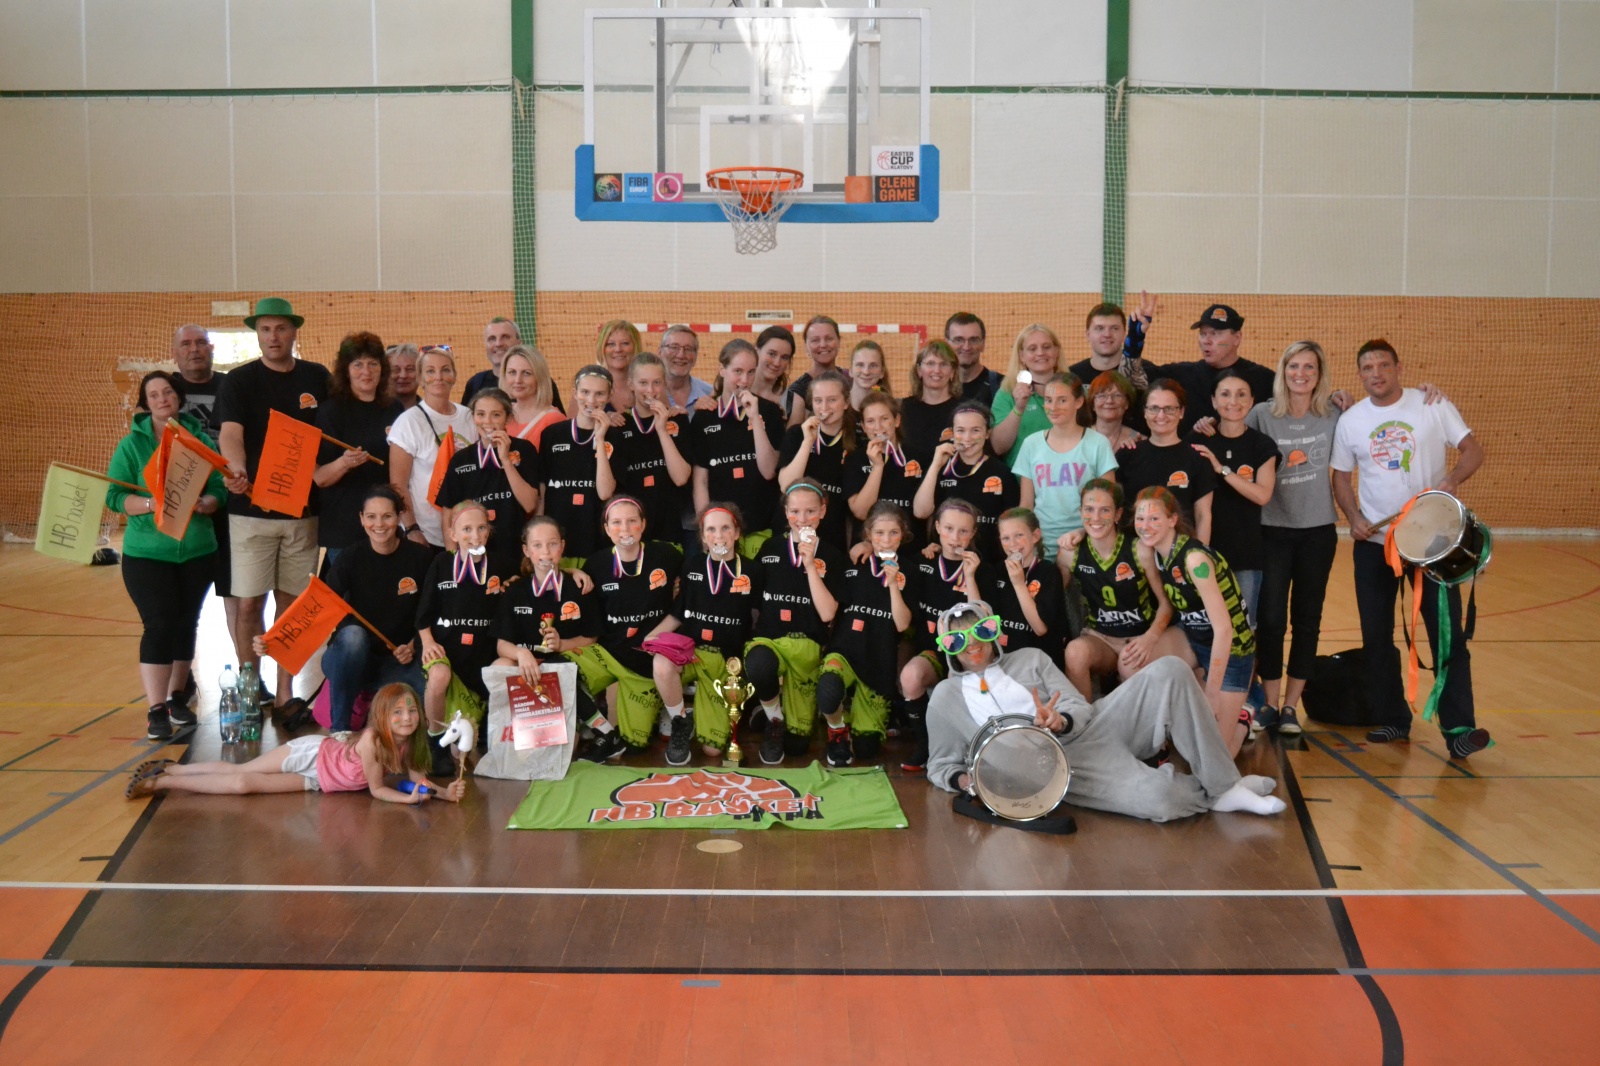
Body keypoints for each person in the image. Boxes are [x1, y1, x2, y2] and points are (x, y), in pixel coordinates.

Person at [924, 603, 1285, 822]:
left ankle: (1225, 785)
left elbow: (1077, 705)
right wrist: (967, 782)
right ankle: (1214, 793)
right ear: (946, 647)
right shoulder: (944, 698)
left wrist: (1059, 720)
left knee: (1171, 669)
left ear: (993, 632)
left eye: (981, 631)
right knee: (1161, 800)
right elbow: (941, 764)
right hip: (1059, 770)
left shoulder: (1031, 658)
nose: (972, 644)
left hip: (1093, 727)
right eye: (957, 640)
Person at [1331, 339, 1490, 758]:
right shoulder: (1351, 420)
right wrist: (1353, 517)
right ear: (1360, 374)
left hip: (1433, 543)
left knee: (1447, 636)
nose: (1376, 373)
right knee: (1376, 637)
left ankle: (1459, 729)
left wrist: (1452, 480)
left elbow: (1473, 451)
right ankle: (1393, 719)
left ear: (1398, 368)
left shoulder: (1431, 403)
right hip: (1376, 546)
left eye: (1384, 365)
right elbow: (1340, 478)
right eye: (1368, 368)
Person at [215, 297, 331, 711]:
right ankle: (250, 686)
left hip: (303, 514)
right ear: (257, 334)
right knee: (249, 603)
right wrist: (236, 468)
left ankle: (285, 692)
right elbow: (230, 434)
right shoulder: (239, 381)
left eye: (281, 328)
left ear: (294, 331)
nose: (273, 336)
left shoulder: (318, 377)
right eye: (265, 329)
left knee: (292, 608)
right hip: (251, 514)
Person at [106, 371, 227, 742]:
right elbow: (114, 496)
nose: (162, 399)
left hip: (197, 552)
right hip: (148, 554)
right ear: (146, 403)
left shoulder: (199, 440)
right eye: (154, 394)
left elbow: (219, 489)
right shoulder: (131, 445)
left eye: (168, 392)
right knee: (159, 625)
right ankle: (156, 708)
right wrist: (150, 504)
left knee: (186, 624)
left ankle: (177, 698)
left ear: (178, 397)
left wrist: (208, 502)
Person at [126, 683, 465, 804]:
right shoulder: (373, 741)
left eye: (411, 711)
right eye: (397, 712)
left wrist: (444, 793)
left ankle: (166, 778)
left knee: (244, 785)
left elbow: (419, 779)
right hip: (312, 756)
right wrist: (407, 799)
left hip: (320, 781)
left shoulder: (412, 741)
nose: (407, 718)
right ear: (382, 716)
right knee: (241, 771)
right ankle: (169, 774)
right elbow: (377, 790)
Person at [1245, 340, 1340, 735]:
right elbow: (1235, 445)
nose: (1300, 374)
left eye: (1309, 368)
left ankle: (1290, 708)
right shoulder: (1261, 415)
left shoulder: (1335, 415)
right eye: (1293, 367)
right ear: (1283, 372)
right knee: (1270, 619)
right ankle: (1269, 703)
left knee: (1308, 619)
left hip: (1318, 532)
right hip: (1272, 530)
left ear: (1319, 375)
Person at [1132, 487, 1254, 757]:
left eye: (1154, 519)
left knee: (1215, 759)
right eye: (1140, 519)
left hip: (1231, 649)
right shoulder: (1153, 551)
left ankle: (1242, 719)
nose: (1145, 526)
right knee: (1132, 661)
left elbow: (1224, 630)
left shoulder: (1195, 560)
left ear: (1172, 520)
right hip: (1194, 639)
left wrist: (1212, 695)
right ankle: (1161, 735)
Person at [646, 503, 764, 766]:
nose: (718, 535)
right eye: (711, 529)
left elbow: (761, 618)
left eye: (725, 528)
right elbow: (679, 613)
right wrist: (650, 637)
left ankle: (711, 719)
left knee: (712, 751)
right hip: (691, 652)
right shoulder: (692, 565)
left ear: (737, 533)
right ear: (702, 536)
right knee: (661, 663)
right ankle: (680, 721)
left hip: (726, 661)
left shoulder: (753, 571)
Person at [745, 479, 847, 765]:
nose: (802, 519)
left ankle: (777, 713)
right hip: (771, 640)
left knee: (797, 745)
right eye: (795, 511)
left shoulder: (833, 555)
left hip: (807, 649)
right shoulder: (770, 548)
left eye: (810, 511)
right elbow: (754, 601)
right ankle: (773, 718)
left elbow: (827, 614)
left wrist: (810, 564)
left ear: (823, 511)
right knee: (759, 664)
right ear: (786, 512)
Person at [1187, 371, 1278, 694]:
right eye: (1225, 394)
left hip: (1245, 553)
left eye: (1241, 394)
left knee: (1244, 630)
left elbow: (1262, 495)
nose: (1233, 401)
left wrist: (1222, 469)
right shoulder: (1199, 440)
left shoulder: (1261, 445)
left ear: (1252, 401)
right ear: (1214, 401)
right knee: (1205, 627)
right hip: (1205, 552)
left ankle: (1242, 699)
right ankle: (1208, 696)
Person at [417, 501, 521, 773]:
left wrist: (574, 572)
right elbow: (424, 611)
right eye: (466, 529)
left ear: (489, 531)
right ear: (452, 534)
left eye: (481, 528)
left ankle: (489, 729)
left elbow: (536, 576)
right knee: (439, 675)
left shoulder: (502, 564)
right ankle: (435, 742)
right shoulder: (441, 563)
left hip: (484, 653)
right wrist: (427, 641)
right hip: (447, 652)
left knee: (506, 668)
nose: (475, 535)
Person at [317, 486, 432, 732]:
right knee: (353, 636)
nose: (379, 524)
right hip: (354, 657)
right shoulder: (349, 558)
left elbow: (432, 611)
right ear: (361, 519)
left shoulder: (421, 558)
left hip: (401, 659)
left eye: (387, 516)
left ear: (399, 517)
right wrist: (272, 641)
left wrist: (413, 644)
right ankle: (340, 730)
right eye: (371, 516)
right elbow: (319, 610)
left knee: (426, 695)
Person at [1061, 479, 1189, 699]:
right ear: (1080, 512)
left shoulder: (1140, 549)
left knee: (1130, 663)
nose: (1096, 517)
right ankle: (1084, 717)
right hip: (1101, 639)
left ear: (1118, 514)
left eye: (1105, 510)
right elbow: (1055, 600)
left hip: (1140, 637)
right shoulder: (1068, 553)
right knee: (1075, 652)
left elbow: (1166, 603)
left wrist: (1150, 638)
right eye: (1089, 509)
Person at [577, 497, 683, 754]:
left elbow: (689, 593)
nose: (624, 529)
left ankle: (669, 707)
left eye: (632, 521)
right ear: (606, 528)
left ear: (643, 524)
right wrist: (572, 572)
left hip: (650, 656)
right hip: (612, 656)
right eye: (616, 522)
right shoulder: (595, 564)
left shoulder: (667, 555)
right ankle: (596, 724)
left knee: (634, 745)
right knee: (559, 668)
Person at [172, 323, 245, 692]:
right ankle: (179, 681)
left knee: (237, 597)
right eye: (186, 344)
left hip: (229, 506)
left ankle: (248, 676)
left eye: (201, 342)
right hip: (184, 514)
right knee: (183, 604)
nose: (194, 349)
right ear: (175, 353)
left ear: (212, 349)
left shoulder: (231, 385)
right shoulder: (165, 388)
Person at [899, 499, 995, 771]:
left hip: (969, 656)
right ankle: (925, 745)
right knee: (910, 676)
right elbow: (887, 551)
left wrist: (970, 577)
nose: (955, 538)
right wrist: (865, 545)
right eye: (949, 529)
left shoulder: (983, 569)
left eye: (963, 531)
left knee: (955, 684)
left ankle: (964, 749)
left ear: (973, 533)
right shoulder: (923, 561)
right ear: (938, 527)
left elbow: (981, 623)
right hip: (933, 652)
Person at [818, 502, 915, 766]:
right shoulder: (852, 563)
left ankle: (855, 720)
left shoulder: (910, 569)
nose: (886, 540)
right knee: (828, 689)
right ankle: (837, 729)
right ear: (868, 534)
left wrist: (893, 584)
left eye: (894, 533)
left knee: (867, 749)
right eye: (879, 533)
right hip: (845, 652)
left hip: (879, 660)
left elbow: (902, 624)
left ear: (903, 534)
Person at [493, 515, 603, 745]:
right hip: (527, 670)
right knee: (500, 666)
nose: (545, 551)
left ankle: (582, 717)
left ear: (562, 546)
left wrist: (563, 644)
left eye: (552, 544)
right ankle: (509, 732)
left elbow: (591, 636)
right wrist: (522, 654)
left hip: (564, 670)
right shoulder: (515, 590)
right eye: (537, 545)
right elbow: (502, 644)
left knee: (566, 747)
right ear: (526, 550)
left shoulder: (579, 587)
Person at [314, 332, 404, 562]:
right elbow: (320, 478)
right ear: (346, 370)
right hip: (344, 528)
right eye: (358, 365)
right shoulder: (330, 411)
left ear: (382, 368)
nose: (366, 371)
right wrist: (344, 463)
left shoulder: (395, 408)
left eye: (373, 364)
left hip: (386, 526)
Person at [685, 340, 784, 545]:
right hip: (720, 530)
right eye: (737, 371)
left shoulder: (769, 412)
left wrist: (755, 417)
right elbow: (700, 480)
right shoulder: (704, 417)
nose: (744, 380)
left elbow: (769, 471)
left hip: (762, 526)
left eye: (751, 372)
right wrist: (706, 527)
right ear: (722, 369)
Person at [1011, 373, 1118, 560]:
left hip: (1086, 543)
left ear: (1078, 402)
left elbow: (1109, 501)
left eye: (1062, 400)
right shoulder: (1031, 444)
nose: (1053, 407)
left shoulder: (1098, 443)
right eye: (1048, 400)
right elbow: (1026, 504)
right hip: (1042, 545)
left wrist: (1083, 532)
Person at [598, 353, 693, 545]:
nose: (650, 390)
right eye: (643, 383)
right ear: (631, 384)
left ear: (664, 383)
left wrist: (662, 430)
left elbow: (681, 478)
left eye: (656, 382)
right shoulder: (619, 425)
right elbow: (609, 489)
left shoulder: (677, 420)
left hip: (669, 529)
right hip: (631, 532)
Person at [388, 346, 476, 549]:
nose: (439, 377)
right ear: (420, 378)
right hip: (427, 534)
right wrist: (412, 528)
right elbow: (398, 485)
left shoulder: (469, 417)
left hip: (468, 531)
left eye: (445, 370)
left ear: (454, 376)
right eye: (430, 371)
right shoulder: (408, 422)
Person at [434, 388, 541, 552]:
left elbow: (529, 505)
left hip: (514, 549)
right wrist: (452, 555)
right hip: (473, 550)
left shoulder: (524, 450)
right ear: (473, 417)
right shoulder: (461, 459)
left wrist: (506, 460)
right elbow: (448, 512)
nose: (487, 421)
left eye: (496, 415)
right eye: (481, 414)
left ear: (508, 418)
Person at [913, 401, 1021, 558]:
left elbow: (1014, 524)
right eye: (961, 430)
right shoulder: (941, 468)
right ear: (952, 433)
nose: (967, 438)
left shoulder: (1002, 473)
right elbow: (920, 512)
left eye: (975, 430)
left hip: (989, 560)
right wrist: (935, 466)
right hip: (947, 558)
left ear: (987, 433)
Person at [1150, 304, 1274, 433]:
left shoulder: (1264, 380)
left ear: (1237, 338)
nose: (1206, 341)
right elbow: (1140, 377)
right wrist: (1138, 337)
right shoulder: (1181, 375)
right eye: (1203, 334)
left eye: (1215, 334)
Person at [1117, 379, 1215, 542]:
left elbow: (1203, 515)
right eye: (1154, 408)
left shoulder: (1197, 458)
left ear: (1181, 412)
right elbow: (1114, 506)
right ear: (1145, 412)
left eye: (1169, 409)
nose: (1161, 415)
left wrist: (1200, 552)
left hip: (1180, 550)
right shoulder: (1127, 453)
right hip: (1134, 549)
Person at [537, 365, 612, 559]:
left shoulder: (615, 437)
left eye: (599, 394)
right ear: (574, 393)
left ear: (609, 396)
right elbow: (542, 489)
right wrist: (538, 529)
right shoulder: (552, 434)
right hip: (557, 539)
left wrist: (600, 439)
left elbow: (605, 492)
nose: (591, 400)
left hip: (596, 539)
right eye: (585, 392)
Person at [775, 371, 855, 549]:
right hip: (793, 531)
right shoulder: (797, 434)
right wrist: (807, 442)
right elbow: (786, 486)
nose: (824, 407)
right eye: (818, 400)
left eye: (832, 400)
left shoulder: (856, 442)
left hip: (832, 535)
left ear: (846, 403)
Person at [988, 508, 1066, 662]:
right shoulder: (997, 571)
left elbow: (1040, 628)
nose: (1012, 544)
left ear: (1035, 536)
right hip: (1003, 658)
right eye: (1006, 538)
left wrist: (1018, 583)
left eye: (1019, 535)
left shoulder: (1048, 571)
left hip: (1038, 660)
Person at [990, 324, 1071, 462]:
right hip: (1020, 474)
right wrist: (1018, 408)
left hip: (1067, 471)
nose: (1040, 353)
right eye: (1032, 349)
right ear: (1022, 356)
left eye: (1046, 347)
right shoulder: (1006, 393)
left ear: (1057, 351)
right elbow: (998, 447)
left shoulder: (1073, 390)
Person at [846, 393, 923, 532]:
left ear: (897, 420)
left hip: (909, 542)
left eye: (884, 419)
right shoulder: (854, 459)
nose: (878, 427)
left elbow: (924, 512)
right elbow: (861, 512)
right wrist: (877, 467)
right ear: (863, 427)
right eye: (870, 421)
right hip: (870, 542)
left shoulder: (918, 457)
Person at [462, 317, 565, 413]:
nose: (498, 344)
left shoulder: (540, 382)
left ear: (519, 343)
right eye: (492, 339)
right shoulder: (476, 383)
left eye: (505, 337)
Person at [1067, 295, 1157, 397]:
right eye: (1100, 328)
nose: (1107, 334)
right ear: (1088, 335)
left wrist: (1136, 337)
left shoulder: (1144, 370)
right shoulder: (1072, 376)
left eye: (1114, 328)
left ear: (1124, 334)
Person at [899, 340, 962, 466]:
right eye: (930, 363)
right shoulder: (902, 409)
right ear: (919, 370)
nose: (937, 370)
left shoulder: (964, 410)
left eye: (944, 364)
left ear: (952, 371)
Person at [502, 345, 565, 445]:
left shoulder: (554, 420)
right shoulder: (503, 414)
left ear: (540, 377)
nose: (518, 380)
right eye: (512, 372)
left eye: (526, 373)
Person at [749, 325, 805, 427]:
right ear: (756, 350)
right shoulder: (734, 390)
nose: (777, 363)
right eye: (772, 354)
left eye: (784, 357)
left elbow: (790, 438)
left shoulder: (794, 403)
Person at [786, 315, 843, 414]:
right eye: (815, 340)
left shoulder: (851, 379)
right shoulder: (797, 392)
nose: (823, 345)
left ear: (839, 342)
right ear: (806, 347)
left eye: (829, 339)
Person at [945, 312, 1003, 407]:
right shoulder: (936, 387)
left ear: (983, 344)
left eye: (973, 340)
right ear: (947, 344)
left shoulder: (1001, 386)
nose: (966, 347)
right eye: (959, 340)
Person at [659, 325, 713, 412]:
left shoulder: (710, 394)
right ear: (660, 352)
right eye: (674, 347)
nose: (681, 355)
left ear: (695, 356)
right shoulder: (645, 394)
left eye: (688, 349)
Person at [1087, 370, 1145, 451]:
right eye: (1102, 396)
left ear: (1127, 403)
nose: (1109, 401)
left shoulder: (1139, 440)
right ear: (1093, 404)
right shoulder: (1079, 438)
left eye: (1117, 395)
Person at [595, 319, 640, 413]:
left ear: (635, 346)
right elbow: (573, 422)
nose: (618, 349)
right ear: (602, 348)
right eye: (611, 344)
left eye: (625, 343)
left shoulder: (649, 386)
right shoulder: (587, 386)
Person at [847, 339, 892, 409]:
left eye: (873, 365)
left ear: (882, 372)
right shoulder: (839, 405)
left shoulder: (889, 408)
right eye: (860, 365)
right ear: (850, 371)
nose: (866, 372)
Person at [386, 343, 420, 409]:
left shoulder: (431, 411)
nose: (403, 376)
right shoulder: (375, 412)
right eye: (396, 370)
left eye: (410, 369)